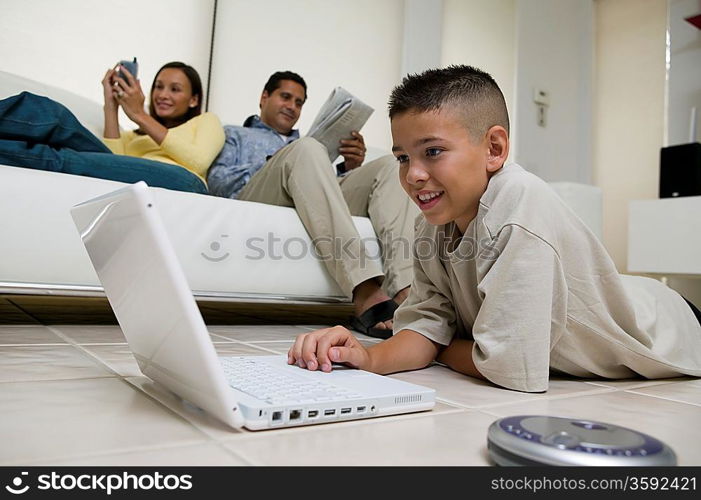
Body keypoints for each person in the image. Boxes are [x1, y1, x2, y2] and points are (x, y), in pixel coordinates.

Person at [287, 64, 701, 392]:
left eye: (432, 152)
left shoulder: (520, 206)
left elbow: (508, 368)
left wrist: (441, 346)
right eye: (401, 158)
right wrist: (368, 358)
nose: (413, 175)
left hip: (672, 326)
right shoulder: (433, 225)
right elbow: (426, 324)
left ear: (495, 149)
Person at [207, 71, 419, 338]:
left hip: (305, 191)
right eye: (286, 97)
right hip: (262, 195)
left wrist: (350, 167)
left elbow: (322, 190)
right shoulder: (235, 134)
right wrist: (276, 160)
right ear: (264, 97)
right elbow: (217, 181)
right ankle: (365, 289)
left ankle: (406, 292)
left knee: (389, 165)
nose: (292, 106)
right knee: (306, 148)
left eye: (299, 102)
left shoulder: (305, 144)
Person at [0, 61, 224, 194]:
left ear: (194, 99)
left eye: (175, 89)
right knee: (51, 114)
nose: (163, 95)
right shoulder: (132, 136)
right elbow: (109, 162)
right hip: (131, 179)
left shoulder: (206, 121)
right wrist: (111, 104)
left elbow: (198, 160)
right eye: (158, 87)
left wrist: (139, 115)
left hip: (182, 183)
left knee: (65, 159)